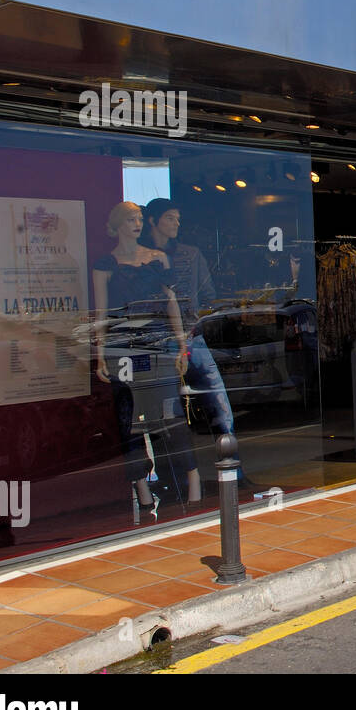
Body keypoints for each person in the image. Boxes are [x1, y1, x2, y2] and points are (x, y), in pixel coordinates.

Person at [92, 201, 200, 516]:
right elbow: (100, 313)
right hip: (123, 349)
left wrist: (181, 345)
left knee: (172, 417)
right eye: (130, 219)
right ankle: (141, 486)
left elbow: (172, 304)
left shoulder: (157, 259)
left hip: (158, 347)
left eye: (139, 218)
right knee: (130, 422)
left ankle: (192, 479)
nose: (137, 223)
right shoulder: (105, 264)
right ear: (118, 225)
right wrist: (99, 354)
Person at [141, 199, 235, 439]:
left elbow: (209, 295)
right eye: (170, 217)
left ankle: (232, 466)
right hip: (160, 341)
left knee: (218, 400)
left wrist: (194, 321)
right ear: (153, 220)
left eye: (178, 218)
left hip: (191, 337)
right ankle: (175, 470)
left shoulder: (191, 254)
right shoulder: (140, 257)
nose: (176, 223)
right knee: (167, 409)